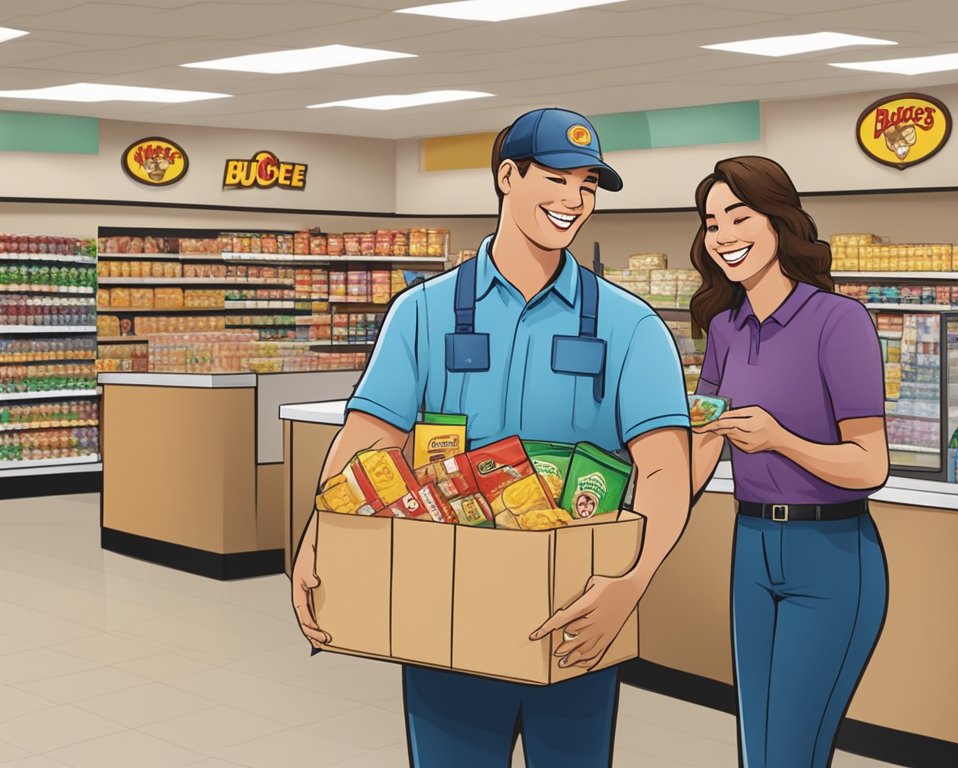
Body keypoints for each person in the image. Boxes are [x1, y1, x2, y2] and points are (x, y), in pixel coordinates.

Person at [291, 108, 692, 767]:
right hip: (441, 606)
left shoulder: (631, 326)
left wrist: (633, 582)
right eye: (558, 178)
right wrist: (318, 537)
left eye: (588, 185)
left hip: (577, 613)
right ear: (508, 176)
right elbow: (368, 439)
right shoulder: (422, 313)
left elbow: (664, 471)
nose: (574, 201)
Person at [688, 156, 890, 768]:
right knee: (757, 745)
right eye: (711, 222)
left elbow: (870, 465)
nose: (723, 235)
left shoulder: (839, 321)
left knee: (792, 751)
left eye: (739, 217)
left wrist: (781, 440)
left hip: (830, 553)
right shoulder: (724, 326)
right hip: (750, 545)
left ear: (779, 223)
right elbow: (704, 439)